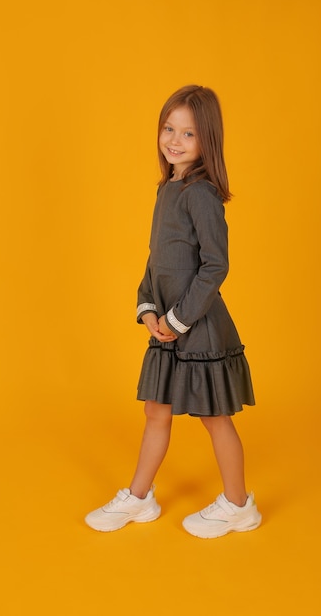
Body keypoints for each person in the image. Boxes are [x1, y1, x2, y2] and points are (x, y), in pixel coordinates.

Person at [85, 85, 261, 539]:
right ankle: (140, 498)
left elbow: (215, 265)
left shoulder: (200, 194)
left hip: (197, 327)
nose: (175, 140)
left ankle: (239, 505)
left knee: (214, 416)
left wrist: (178, 319)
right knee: (156, 412)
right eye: (169, 128)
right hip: (164, 327)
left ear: (207, 142)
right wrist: (148, 311)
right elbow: (156, 260)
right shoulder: (168, 189)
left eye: (188, 133)